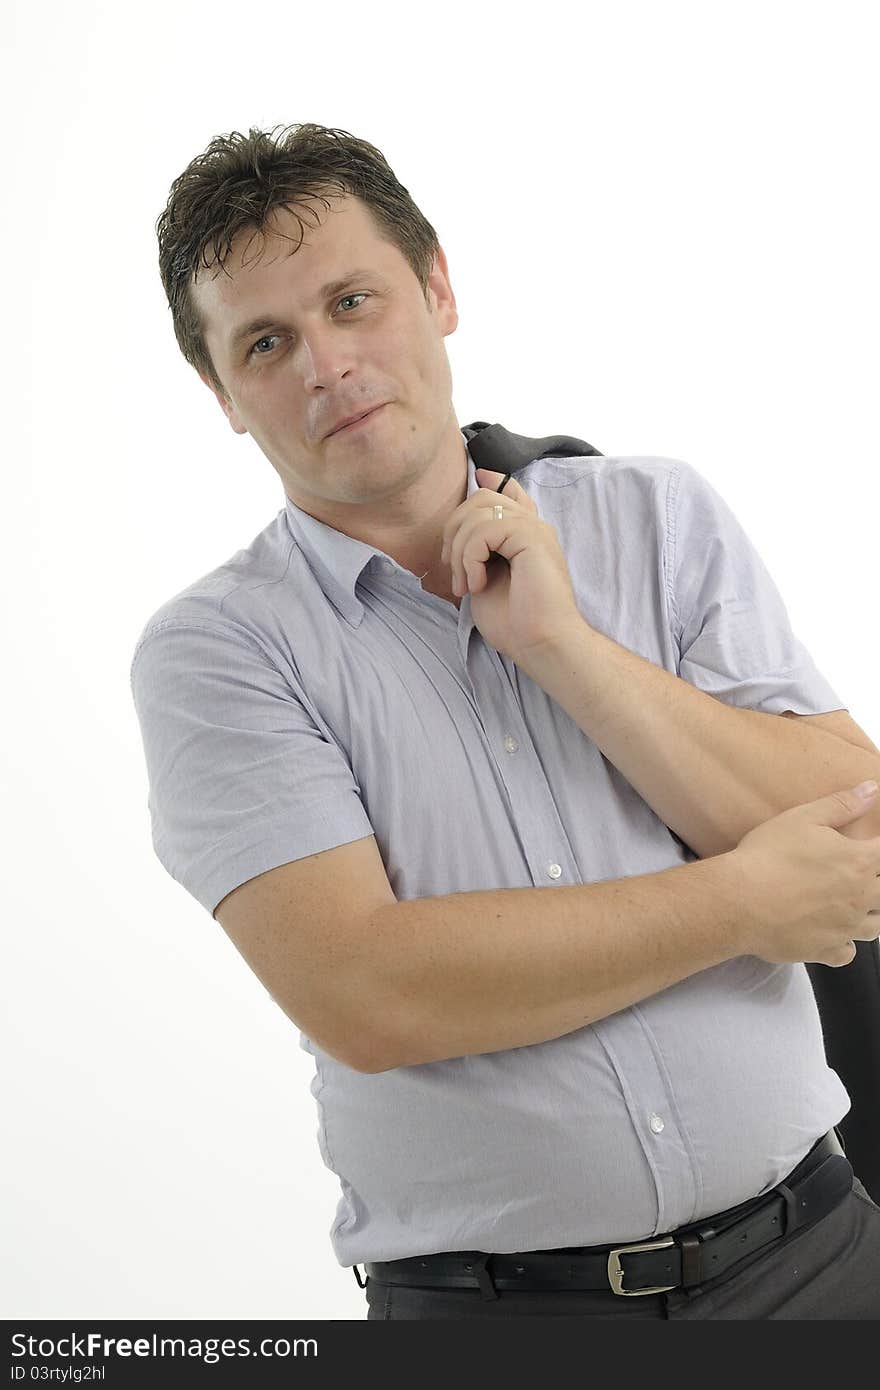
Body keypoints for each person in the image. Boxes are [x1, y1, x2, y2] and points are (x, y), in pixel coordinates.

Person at [130, 122, 880, 1320]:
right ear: (221, 391)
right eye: (267, 341)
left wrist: (564, 650)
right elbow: (370, 993)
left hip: (823, 1260)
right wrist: (742, 900)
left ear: (437, 288)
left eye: (354, 300)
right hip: (503, 1316)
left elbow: (853, 838)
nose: (327, 364)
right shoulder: (219, 653)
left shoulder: (653, 514)